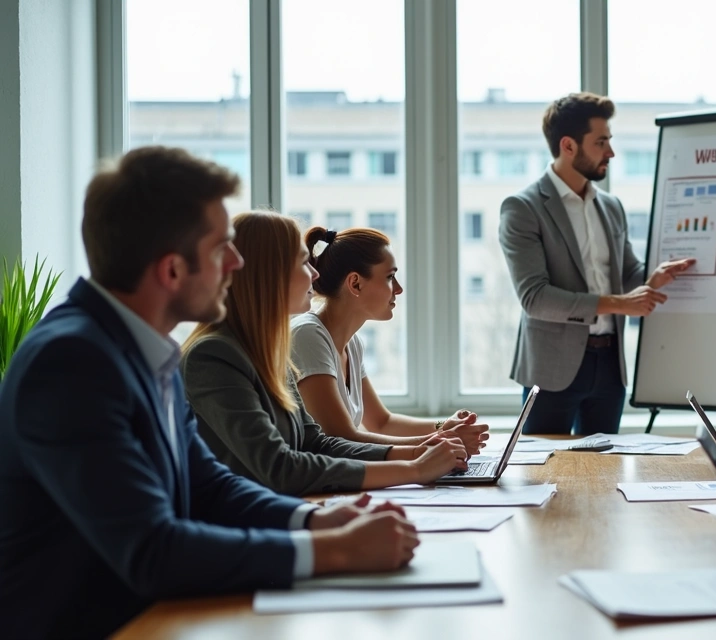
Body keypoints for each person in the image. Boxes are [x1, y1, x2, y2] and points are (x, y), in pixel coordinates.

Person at [0, 147, 422, 638]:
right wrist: (336, 550)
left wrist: (314, 522)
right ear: (172, 270)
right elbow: (152, 550)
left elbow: (207, 486)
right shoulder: (71, 364)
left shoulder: (139, 348)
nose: (239, 264)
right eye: (223, 248)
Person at [181, 211, 467, 496]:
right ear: (269, 273)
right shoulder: (213, 355)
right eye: (304, 262)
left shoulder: (270, 352)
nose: (315, 273)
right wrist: (413, 469)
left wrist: (419, 451)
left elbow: (317, 443)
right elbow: (279, 467)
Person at [499, 91, 694, 435]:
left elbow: (627, 274)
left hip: (609, 368)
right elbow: (535, 298)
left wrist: (654, 278)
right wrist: (620, 304)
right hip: (551, 369)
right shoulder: (522, 208)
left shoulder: (611, 206)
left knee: (605, 474)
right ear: (568, 146)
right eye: (600, 142)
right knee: (546, 474)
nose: (611, 152)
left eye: (610, 141)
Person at [291, 226, 488, 454]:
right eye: (390, 277)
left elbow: (382, 422)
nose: (399, 289)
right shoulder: (308, 336)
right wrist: (443, 440)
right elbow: (341, 437)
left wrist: (445, 426)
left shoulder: (352, 344)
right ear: (355, 283)